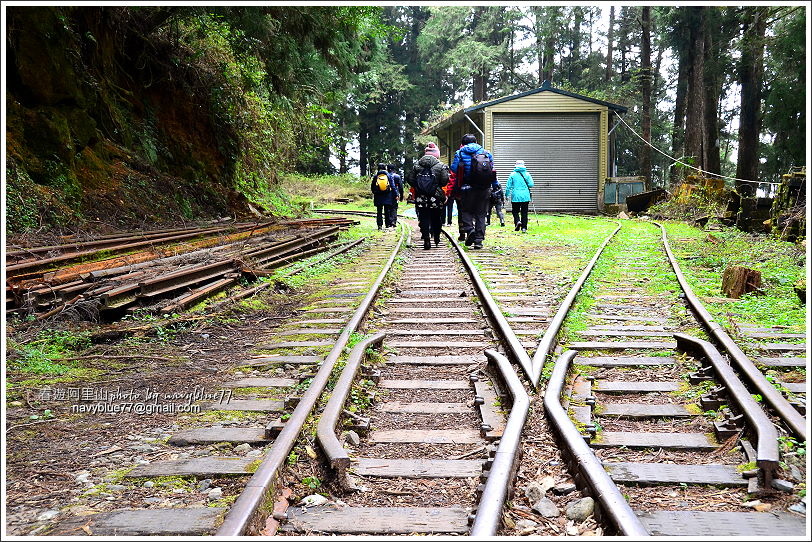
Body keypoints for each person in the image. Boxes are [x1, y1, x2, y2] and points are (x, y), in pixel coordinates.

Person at [449, 133, 496, 250]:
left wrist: (452, 189)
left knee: (466, 211)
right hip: (484, 188)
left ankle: (470, 230)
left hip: (466, 187)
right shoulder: (486, 153)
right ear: (476, 142)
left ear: (463, 143)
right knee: (481, 213)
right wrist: (495, 186)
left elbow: (454, 170)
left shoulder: (460, 153)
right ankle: (479, 241)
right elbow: (492, 171)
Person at [406, 143, 449, 250]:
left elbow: (410, 179)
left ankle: (426, 239)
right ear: (436, 155)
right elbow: (444, 182)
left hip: (421, 196)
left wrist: (418, 186)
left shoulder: (417, 165)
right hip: (436, 197)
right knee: (436, 217)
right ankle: (437, 237)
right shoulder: (440, 166)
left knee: (424, 216)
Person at [505, 159, 534, 232]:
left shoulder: (512, 174)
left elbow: (508, 186)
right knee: (524, 212)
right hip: (525, 196)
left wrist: (506, 195)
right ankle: (524, 228)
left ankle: (517, 222)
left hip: (515, 196)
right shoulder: (527, 174)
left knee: (515, 211)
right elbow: (531, 185)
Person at [370, 162, 398, 230]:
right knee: (387, 210)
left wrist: (375, 192)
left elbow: (372, 186)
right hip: (387, 196)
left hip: (378, 196)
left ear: (378, 168)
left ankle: (379, 225)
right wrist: (396, 194)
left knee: (379, 211)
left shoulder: (376, 176)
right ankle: (387, 225)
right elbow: (393, 186)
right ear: (385, 168)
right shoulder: (388, 175)